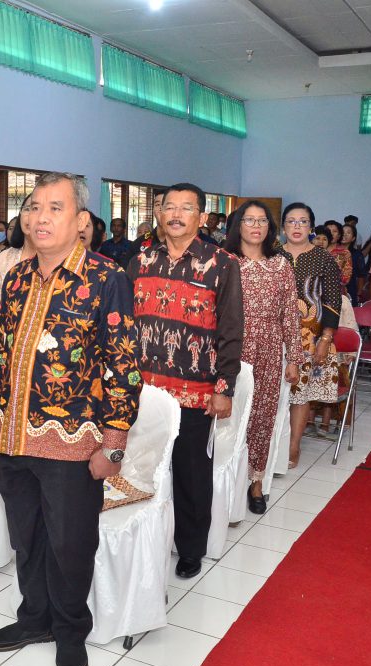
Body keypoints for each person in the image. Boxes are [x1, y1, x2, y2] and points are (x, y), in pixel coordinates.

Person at [0, 172, 142, 666]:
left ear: (80, 220)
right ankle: (34, 618)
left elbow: (123, 364)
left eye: (55, 208)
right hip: (14, 437)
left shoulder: (106, 278)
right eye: (34, 207)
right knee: (26, 538)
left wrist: (113, 443)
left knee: (70, 544)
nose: (41, 217)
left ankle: (71, 630)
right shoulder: (16, 276)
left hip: (74, 442)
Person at [128, 182, 243, 579]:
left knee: (192, 473)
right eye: (169, 207)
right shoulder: (140, 260)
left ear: (202, 216)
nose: (175, 215)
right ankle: (146, 539)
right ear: (159, 214)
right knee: (142, 467)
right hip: (145, 390)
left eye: (186, 208)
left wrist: (224, 388)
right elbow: (124, 321)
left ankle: (191, 548)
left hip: (195, 391)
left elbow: (231, 329)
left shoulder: (221, 264)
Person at [223, 202, 299, 514]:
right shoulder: (225, 262)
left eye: (262, 221)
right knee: (229, 415)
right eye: (249, 220)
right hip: (231, 347)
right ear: (238, 225)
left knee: (262, 416)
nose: (256, 226)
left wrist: (293, 358)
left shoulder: (281, 265)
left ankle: (255, 482)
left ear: (270, 227)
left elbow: (290, 314)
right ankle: (225, 482)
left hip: (268, 348)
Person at [281, 203, 342, 469]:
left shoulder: (323, 258)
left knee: (300, 393)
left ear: (311, 227)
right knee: (272, 394)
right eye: (291, 221)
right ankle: (270, 446)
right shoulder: (272, 254)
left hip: (309, 335)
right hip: (273, 334)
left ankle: (293, 446)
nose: (297, 226)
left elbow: (332, 301)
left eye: (303, 221)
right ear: (283, 226)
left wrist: (325, 339)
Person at [0, 193, 35, 365]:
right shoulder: (5, 258)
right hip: (6, 351)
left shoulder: (59, 259)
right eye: (28, 209)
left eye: (38, 209)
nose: (32, 215)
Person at [342, 223, 367, 305]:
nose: (344, 235)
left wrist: (359, 293)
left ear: (353, 238)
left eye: (348, 233)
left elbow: (361, 275)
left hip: (351, 289)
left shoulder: (357, 254)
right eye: (342, 232)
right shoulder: (332, 252)